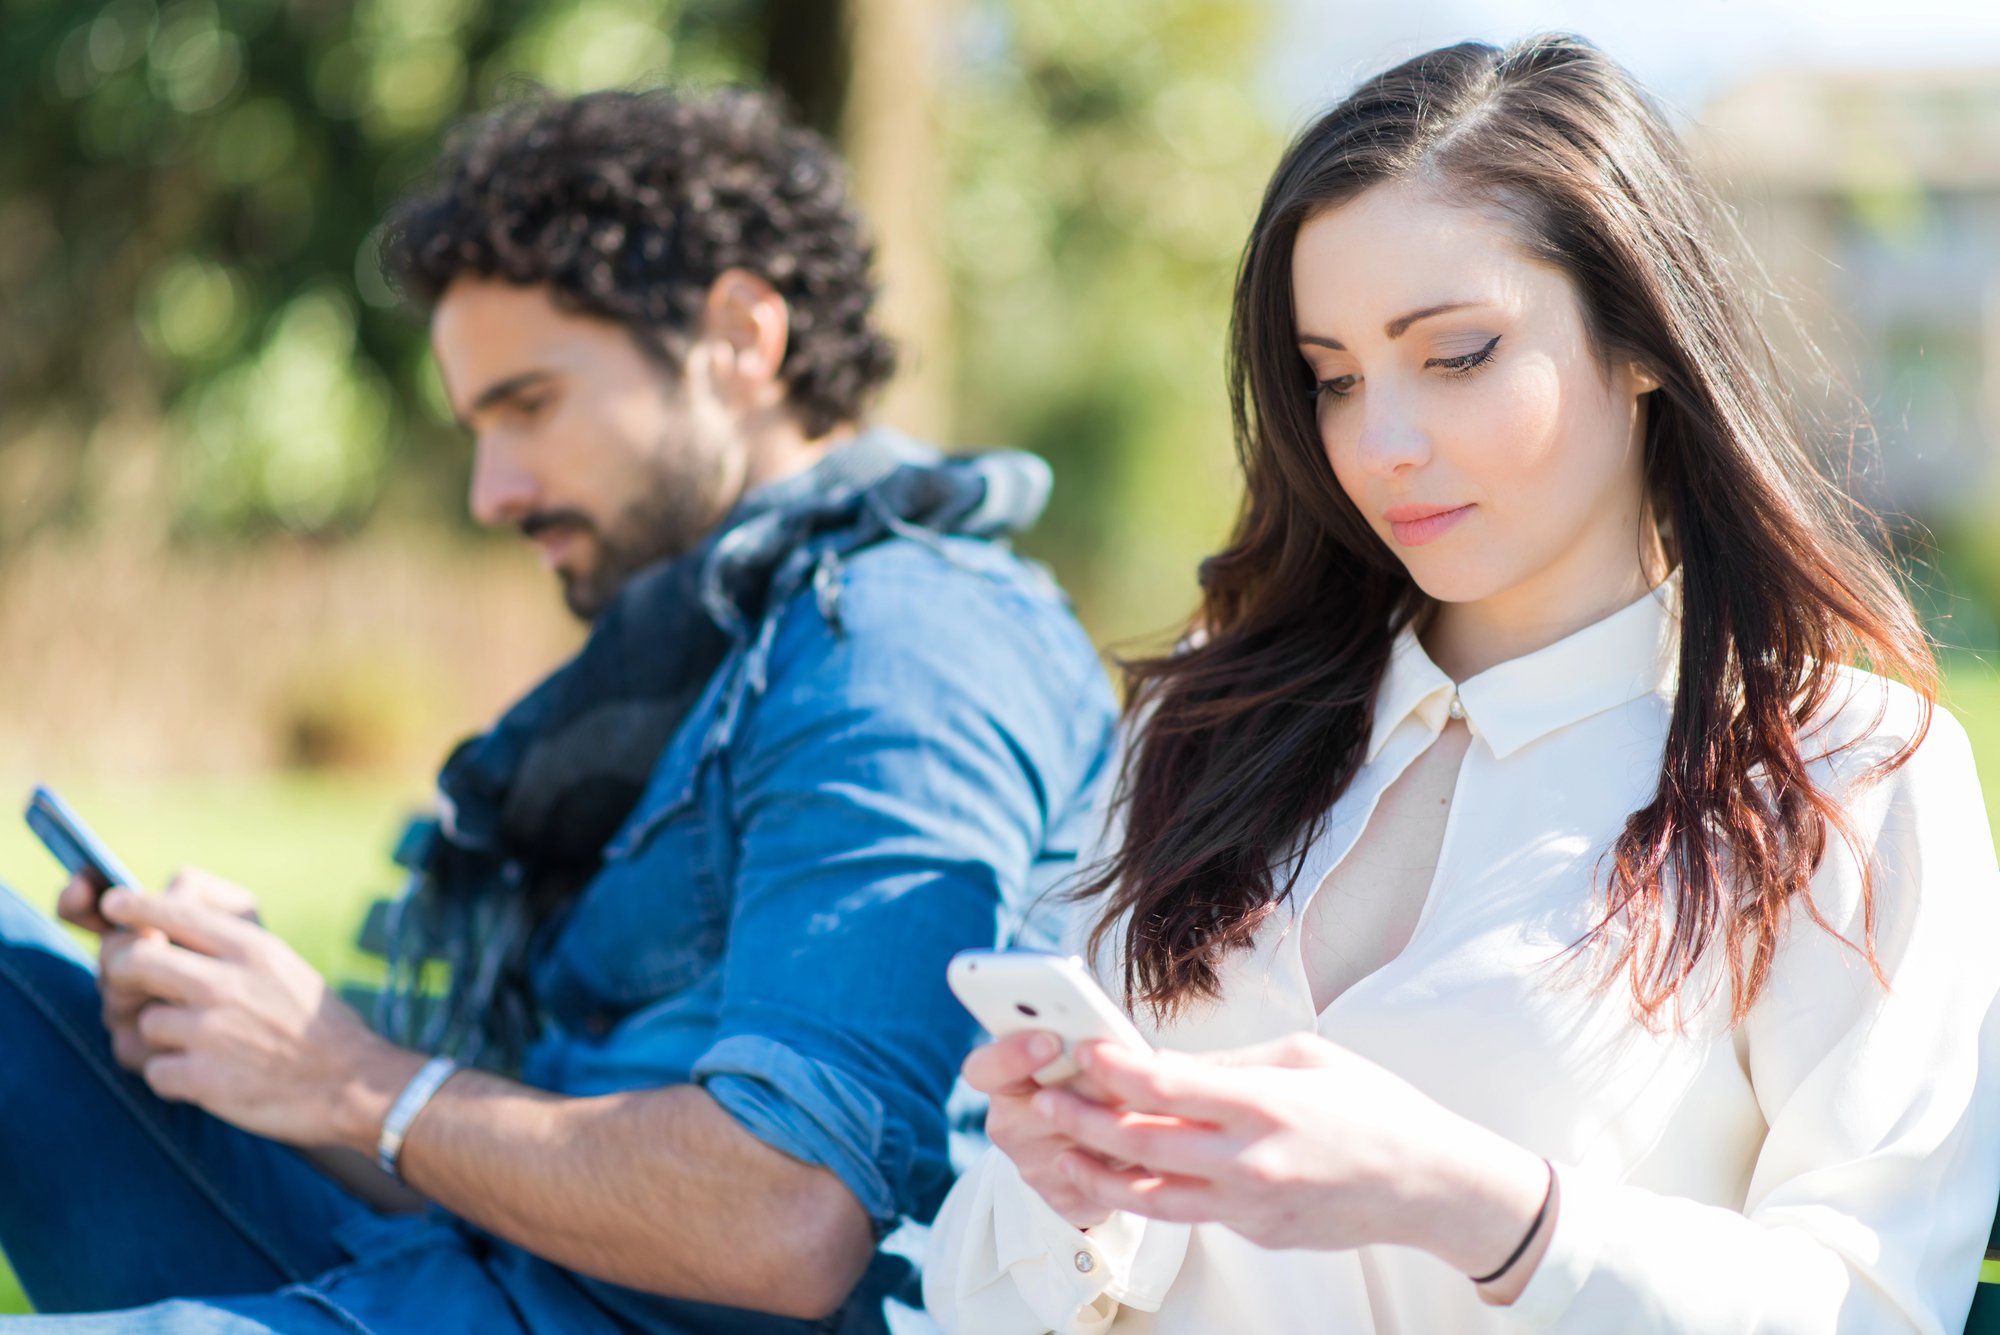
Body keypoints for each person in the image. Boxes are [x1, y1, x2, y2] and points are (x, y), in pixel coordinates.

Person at [923, 33, 2000, 1335]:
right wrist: (1068, 1191)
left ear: (1645, 335)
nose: (1381, 445)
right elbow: (973, 1276)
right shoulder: (1203, 723)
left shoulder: (1840, 768)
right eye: (1332, 377)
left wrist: (1476, 1199)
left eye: (1458, 354)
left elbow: (1875, 1302)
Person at [0, 88, 1117, 1333]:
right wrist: (257, 1033)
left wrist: (347, 1073)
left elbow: (785, 1217)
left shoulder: (906, 643)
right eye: (477, 426)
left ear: (741, 339)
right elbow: (516, 1158)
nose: (492, 489)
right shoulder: (700, 647)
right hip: (460, 1273)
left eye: (528, 406)